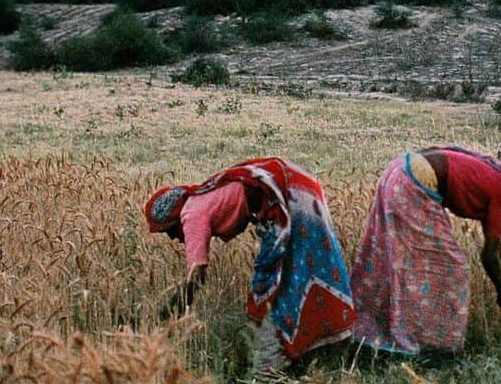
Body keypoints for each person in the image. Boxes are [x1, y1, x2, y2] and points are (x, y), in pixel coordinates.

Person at [144, 158, 355, 370]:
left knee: (268, 289)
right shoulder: (200, 197)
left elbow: (196, 276)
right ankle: (321, 349)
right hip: (297, 187)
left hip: (285, 194)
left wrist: (166, 313)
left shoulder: (191, 214)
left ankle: (270, 366)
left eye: (168, 231)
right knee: (305, 270)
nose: (172, 238)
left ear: (173, 220)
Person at [351, 145, 501, 357]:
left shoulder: (494, 175)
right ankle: (432, 344)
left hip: (399, 171)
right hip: (412, 184)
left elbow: (496, 248)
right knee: (451, 268)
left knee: (398, 258)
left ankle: (377, 327)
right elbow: (489, 256)